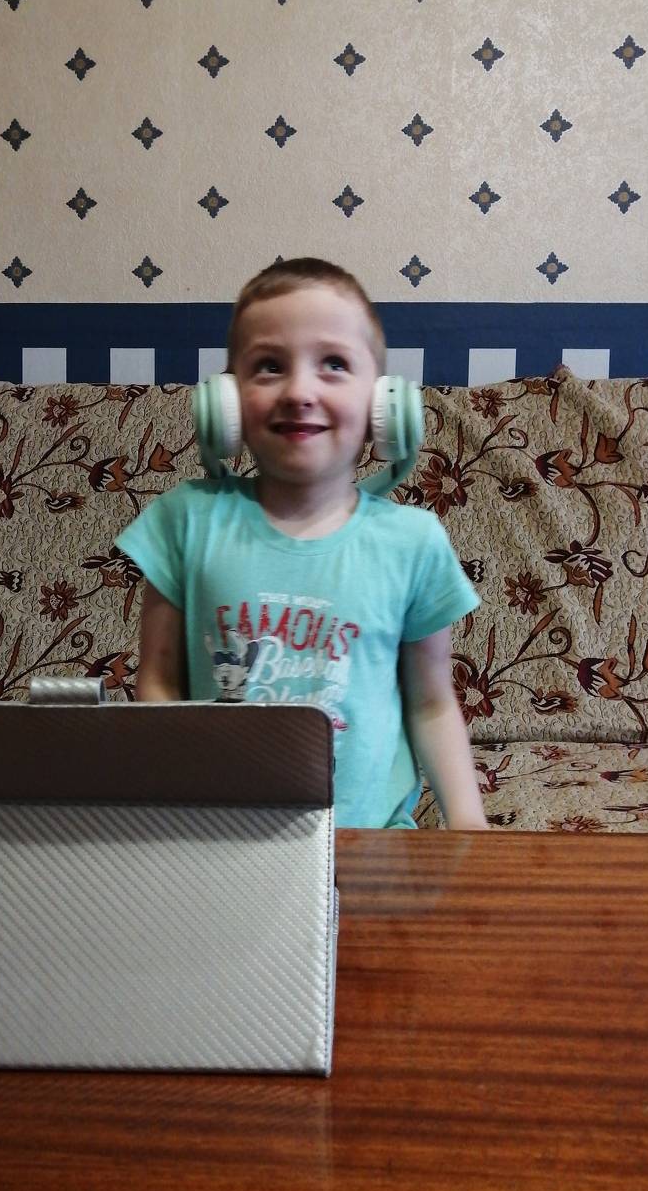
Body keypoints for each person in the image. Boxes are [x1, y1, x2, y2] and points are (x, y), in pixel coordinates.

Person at [115, 257, 488, 830]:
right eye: (269, 366)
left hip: (371, 844)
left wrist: (470, 830)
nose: (299, 391)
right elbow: (160, 680)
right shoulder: (184, 521)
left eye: (334, 364)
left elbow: (433, 703)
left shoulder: (413, 543)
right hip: (217, 841)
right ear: (227, 403)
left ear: (383, 406)